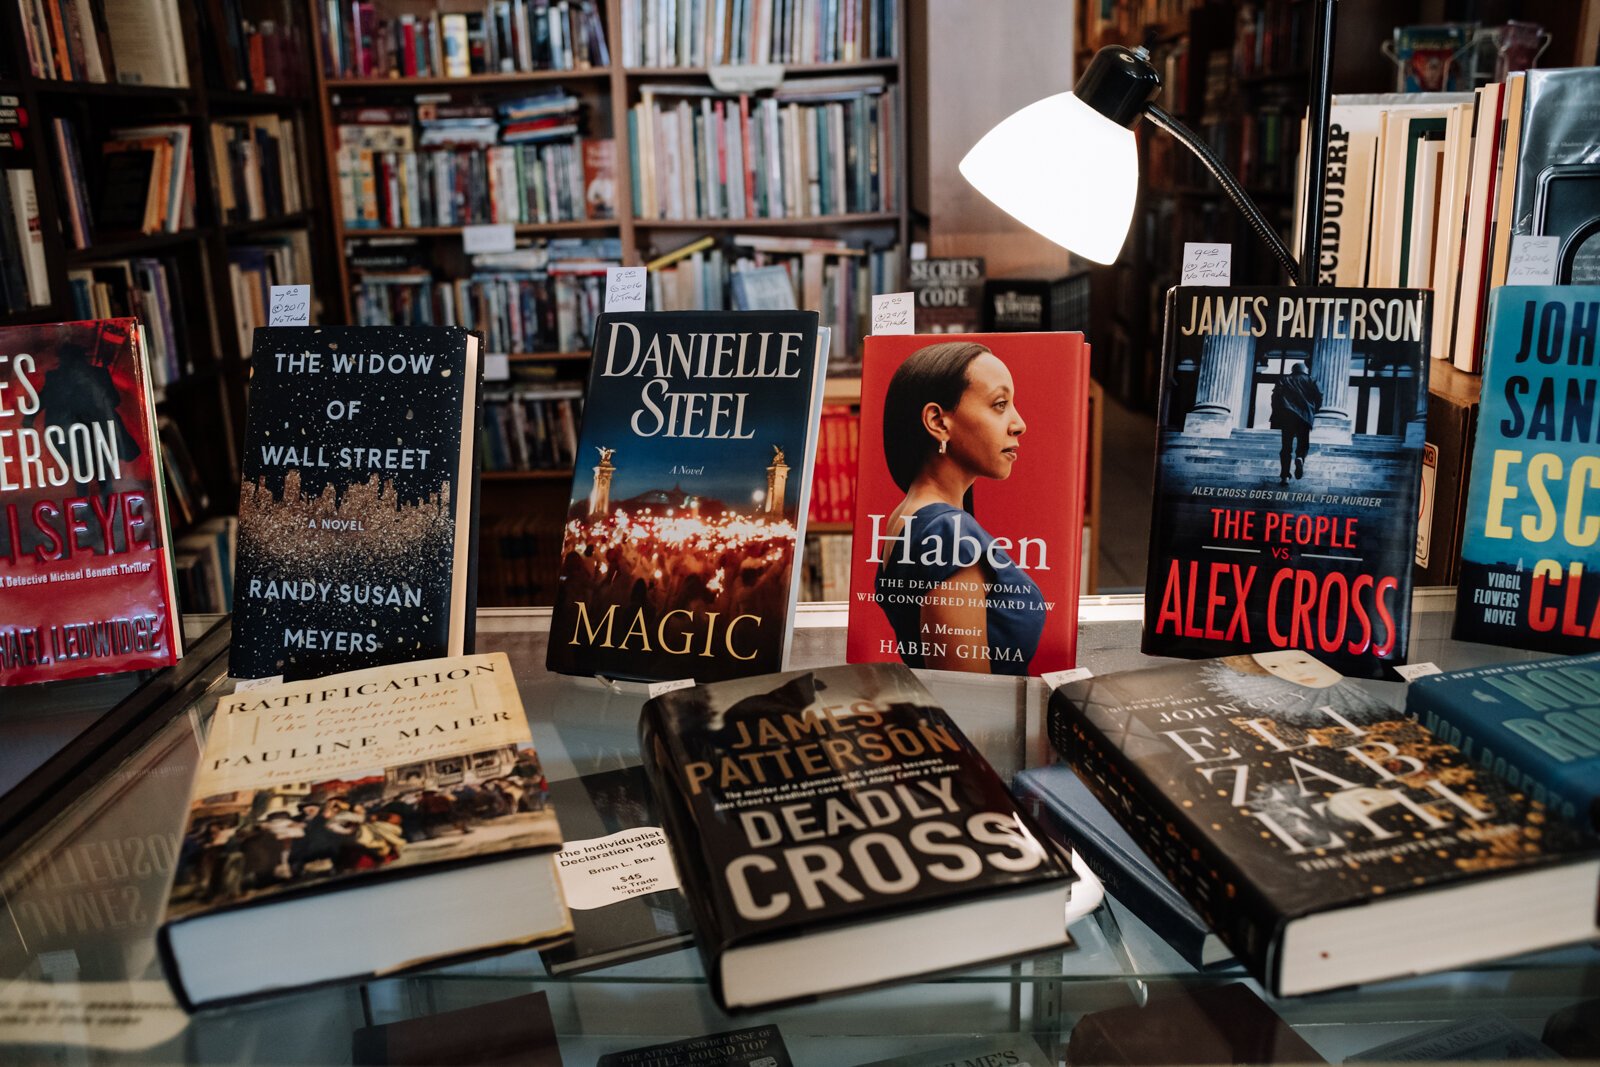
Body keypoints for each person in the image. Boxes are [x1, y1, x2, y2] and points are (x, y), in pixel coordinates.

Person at [872, 341, 1045, 676]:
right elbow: (967, 701)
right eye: (999, 404)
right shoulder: (947, 534)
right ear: (938, 421)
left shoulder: (906, 515)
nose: (1019, 423)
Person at [1270, 362, 1322, 484]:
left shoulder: (1284, 379)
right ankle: (1300, 457)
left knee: (1286, 447)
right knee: (1303, 443)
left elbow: (1275, 397)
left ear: (1293, 370)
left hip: (1287, 416)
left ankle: (1285, 476)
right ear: (1305, 370)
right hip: (1304, 416)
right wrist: (1313, 410)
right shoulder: (1311, 380)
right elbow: (1319, 396)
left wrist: (1278, 412)